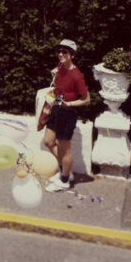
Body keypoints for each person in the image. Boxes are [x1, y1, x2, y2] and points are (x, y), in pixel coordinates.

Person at [43, 39, 90, 193]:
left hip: (67, 113)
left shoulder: (77, 75)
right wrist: (55, 73)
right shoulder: (60, 66)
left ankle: (64, 180)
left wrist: (69, 104)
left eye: (65, 52)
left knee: (65, 149)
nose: (61, 54)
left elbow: (86, 99)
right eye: (59, 51)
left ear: (72, 55)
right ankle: (65, 171)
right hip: (56, 108)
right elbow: (60, 81)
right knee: (48, 141)